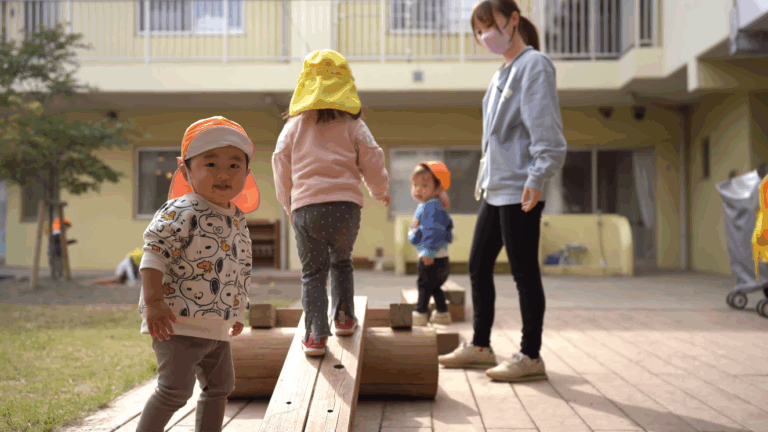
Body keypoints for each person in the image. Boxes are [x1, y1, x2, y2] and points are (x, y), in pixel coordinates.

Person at [438, 0, 567, 382]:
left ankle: (530, 356)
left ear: (513, 20)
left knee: (524, 272)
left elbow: (547, 132)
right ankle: (481, 347)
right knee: (478, 266)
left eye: (489, 26)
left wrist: (537, 177)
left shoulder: (534, 65)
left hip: (521, 188)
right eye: (478, 32)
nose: (484, 36)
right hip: (495, 188)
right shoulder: (501, 75)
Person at [135, 116, 260, 432]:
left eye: (234, 165)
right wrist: (153, 302)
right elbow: (154, 253)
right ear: (186, 170)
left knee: (220, 388)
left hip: (215, 324)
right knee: (174, 391)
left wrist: (237, 309)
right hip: (176, 321)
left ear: (247, 173)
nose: (223, 173)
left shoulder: (238, 219)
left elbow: (240, 266)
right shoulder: (182, 209)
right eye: (210, 163)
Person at [273, 49, 390, 356]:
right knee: (341, 261)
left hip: (306, 209)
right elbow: (372, 158)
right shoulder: (353, 125)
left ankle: (315, 334)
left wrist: (289, 203)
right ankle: (344, 317)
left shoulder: (294, 127)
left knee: (313, 272)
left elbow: (280, 166)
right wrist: (380, 190)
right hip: (345, 208)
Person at [408, 161, 454, 327]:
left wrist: (428, 251)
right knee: (434, 286)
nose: (418, 190)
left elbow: (434, 230)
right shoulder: (428, 204)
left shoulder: (432, 205)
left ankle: (420, 313)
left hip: (432, 256)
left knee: (424, 285)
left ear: (437, 188)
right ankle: (442, 313)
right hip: (439, 257)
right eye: (415, 185)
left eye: (424, 185)